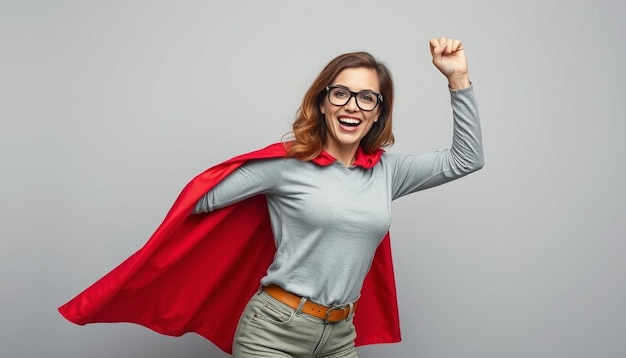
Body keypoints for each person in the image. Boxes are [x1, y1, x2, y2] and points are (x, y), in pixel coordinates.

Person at [58, 37, 483, 358]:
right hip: (273, 331)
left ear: (377, 112)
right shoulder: (286, 166)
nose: (352, 105)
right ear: (322, 103)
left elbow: (467, 158)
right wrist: (232, 232)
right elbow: (202, 200)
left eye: (367, 97)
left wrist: (457, 78)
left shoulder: (388, 173)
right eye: (341, 93)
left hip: (339, 335)